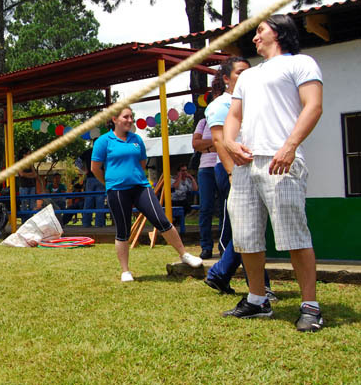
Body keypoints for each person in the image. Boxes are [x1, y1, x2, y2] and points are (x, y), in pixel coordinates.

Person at [223, 15, 324, 332]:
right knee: (246, 236)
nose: (255, 37)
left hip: (281, 159)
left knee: (294, 233)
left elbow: (313, 106)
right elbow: (234, 116)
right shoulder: (248, 77)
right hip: (244, 163)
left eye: (260, 31)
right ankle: (256, 299)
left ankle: (310, 306)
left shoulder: (302, 64)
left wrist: (290, 146)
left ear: (279, 32)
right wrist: (229, 143)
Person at [91, 107, 203, 282]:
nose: (130, 120)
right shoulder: (103, 141)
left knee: (162, 220)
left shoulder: (136, 139)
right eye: (126, 117)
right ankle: (125, 271)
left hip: (141, 187)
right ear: (114, 119)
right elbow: (95, 168)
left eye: (131, 117)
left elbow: (142, 163)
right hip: (117, 191)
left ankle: (184, 254)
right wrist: (109, 183)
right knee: (123, 230)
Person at [203, 57, 274, 299]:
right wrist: (232, 172)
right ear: (226, 78)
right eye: (239, 72)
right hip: (233, 170)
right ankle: (257, 286)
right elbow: (219, 140)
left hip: (251, 167)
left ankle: (221, 274)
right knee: (245, 226)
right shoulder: (221, 105)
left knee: (252, 226)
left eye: (248, 71)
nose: (246, 76)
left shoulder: (247, 101)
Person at [192, 89, 222, 259]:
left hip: (224, 165)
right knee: (206, 208)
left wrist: (208, 146)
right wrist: (216, 143)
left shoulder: (228, 119)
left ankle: (224, 246)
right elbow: (195, 144)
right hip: (205, 169)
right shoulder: (203, 122)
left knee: (224, 208)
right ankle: (206, 247)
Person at [81, 143, 106, 228]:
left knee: (88, 201)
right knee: (100, 201)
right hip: (100, 177)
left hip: (90, 178)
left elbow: (77, 161)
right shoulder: (103, 152)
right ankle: (99, 224)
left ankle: (86, 223)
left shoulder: (88, 152)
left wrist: (84, 170)